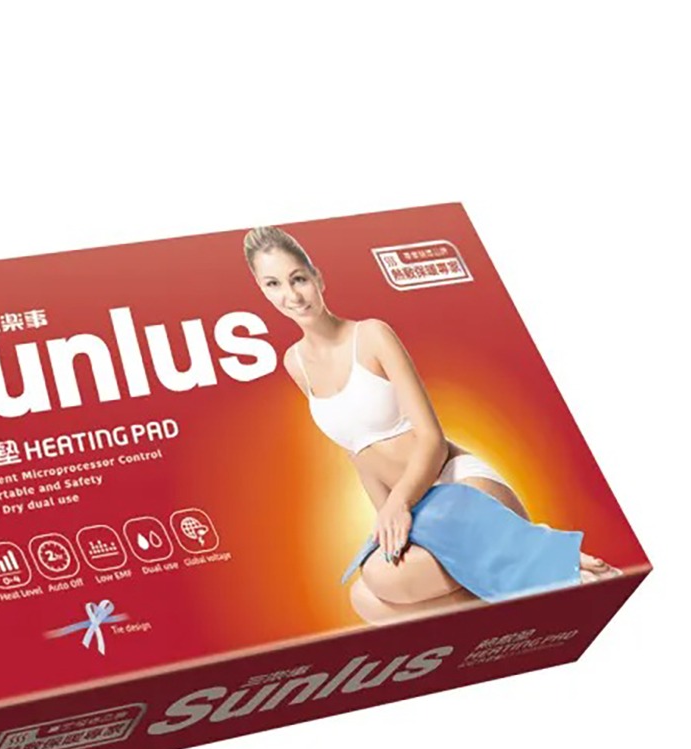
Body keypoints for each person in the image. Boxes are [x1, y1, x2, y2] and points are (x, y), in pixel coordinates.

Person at [243, 225, 619, 624]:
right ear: (262, 291)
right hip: (416, 508)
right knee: (366, 598)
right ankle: (532, 591)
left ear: (318, 278)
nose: (292, 295)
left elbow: (431, 439)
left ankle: (547, 561)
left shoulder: (371, 335)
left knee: (379, 577)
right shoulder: (295, 363)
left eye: (298, 278)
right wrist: (388, 518)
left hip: (458, 490)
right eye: (273, 284)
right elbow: (358, 453)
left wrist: (399, 503)